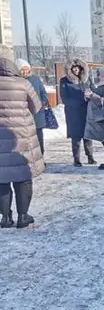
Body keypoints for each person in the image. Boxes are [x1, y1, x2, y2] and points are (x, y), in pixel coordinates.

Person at [0, 46, 44, 228]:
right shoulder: (23, 83)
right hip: (21, 137)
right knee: (23, 177)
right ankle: (23, 216)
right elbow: (37, 106)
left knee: (2, 179)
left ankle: (5, 217)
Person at [60, 59, 95, 167]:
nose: (76, 70)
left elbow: (94, 90)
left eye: (77, 68)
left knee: (88, 136)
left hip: (86, 111)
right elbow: (65, 98)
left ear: (81, 68)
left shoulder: (87, 80)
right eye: (73, 68)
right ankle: (77, 159)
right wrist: (81, 100)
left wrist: (91, 96)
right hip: (73, 113)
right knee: (76, 137)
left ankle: (90, 157)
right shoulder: (64, 81)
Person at [15, 59, 49, 155]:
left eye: (26, 69)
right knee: (26, 139)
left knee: (39, 137)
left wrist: (43, 101)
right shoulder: (17, 80)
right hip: (23, 114)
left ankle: (41, 157)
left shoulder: (35, 79)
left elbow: (43, 92)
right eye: (22, 69)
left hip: (37, 113)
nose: (25, 71)